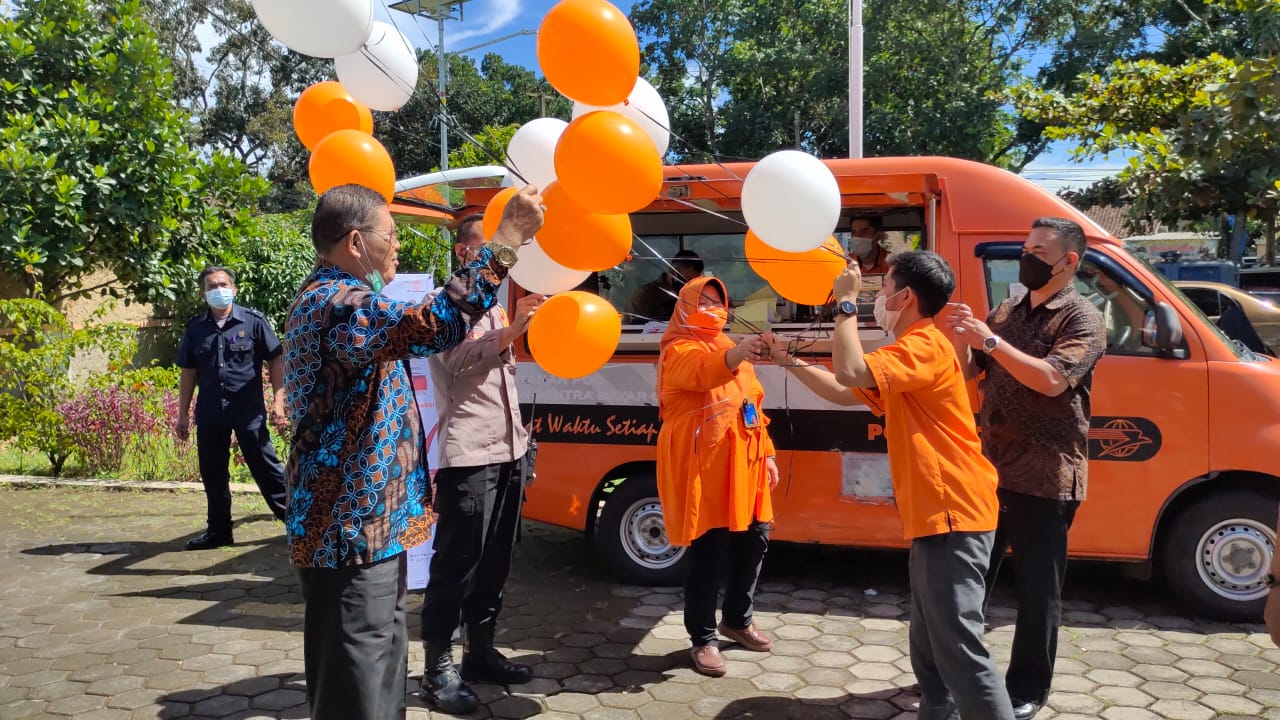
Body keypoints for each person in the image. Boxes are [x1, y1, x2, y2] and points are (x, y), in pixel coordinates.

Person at [283, 183, 543, 720]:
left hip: (369, 524)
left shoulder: (345, 301)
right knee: (358, 682)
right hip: (348, 527)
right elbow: (433, 325)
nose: (397, 247)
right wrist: (508, 239)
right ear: (356, 242)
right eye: (391, 235)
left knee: (379, 666)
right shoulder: (337, 305)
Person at [767, 251, 1013, 720]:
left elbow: (850, 372)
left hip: (952, 512)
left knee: (959, 645)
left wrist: (844, 304)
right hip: (935, 513)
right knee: (928, 640)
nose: (877, 298)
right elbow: (845, 391)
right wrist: (788, 361)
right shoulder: (912, 350)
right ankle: (935, 711)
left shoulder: (924, 346)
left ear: (906, 297)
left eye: (882, 290)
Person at [943, 217, 1106, 720]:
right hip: (990, 468)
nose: (1027, 258)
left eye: (1038, 251)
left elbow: (1054, 380)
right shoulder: (1008, 309)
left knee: (1038, 592)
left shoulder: (1083, 318)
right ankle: (965, 677)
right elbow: (974, 371)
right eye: (1025, 248)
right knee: (968, 582)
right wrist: (962, 337)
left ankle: (1027, 688)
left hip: (1045, 474)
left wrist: (989, 342)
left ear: (1069, 262)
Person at [418, 215, 546, 714]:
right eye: (486, 247)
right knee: (456, 564)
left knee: (495, 561)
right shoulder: (443, 307)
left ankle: (480, 653)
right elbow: (456, 361)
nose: (500, 259)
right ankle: (436, 670)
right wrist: (514, 330)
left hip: (509, 450)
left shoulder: (494, 308)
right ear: (463, 250)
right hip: (470, 455)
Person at [656, 275, 779, 678]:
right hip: (705, 468)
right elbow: (702, 372)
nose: (713, 309)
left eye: (718, 302)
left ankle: (738, 621)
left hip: (747, 461)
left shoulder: (729, 345)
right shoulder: (676, 348)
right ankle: (703, 639)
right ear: (684, 306)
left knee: (755, 540)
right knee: (710, 552)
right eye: (703, 302)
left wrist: (770, 454)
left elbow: (753, 402)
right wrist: (737, 353)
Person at [175, 265, 288, 550]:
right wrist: (182, 414)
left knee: (266, 468)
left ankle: (299, 524)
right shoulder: (195, 329)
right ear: (203, 293)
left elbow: (277, 358)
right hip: (211, 412)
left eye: (223, 284)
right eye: (211, 287)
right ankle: (219, 533)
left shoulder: (253, 322)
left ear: (234, 289)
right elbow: (188, 372)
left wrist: (279, 400)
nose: (218, 290)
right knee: (213, 475)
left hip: (247, 411)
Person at [626, 249, 704, 323]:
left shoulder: (697, 296)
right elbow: (636, 324)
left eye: (694, 281)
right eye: (687, 279)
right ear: (673, 271)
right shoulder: (647, 294)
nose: (689, 284)